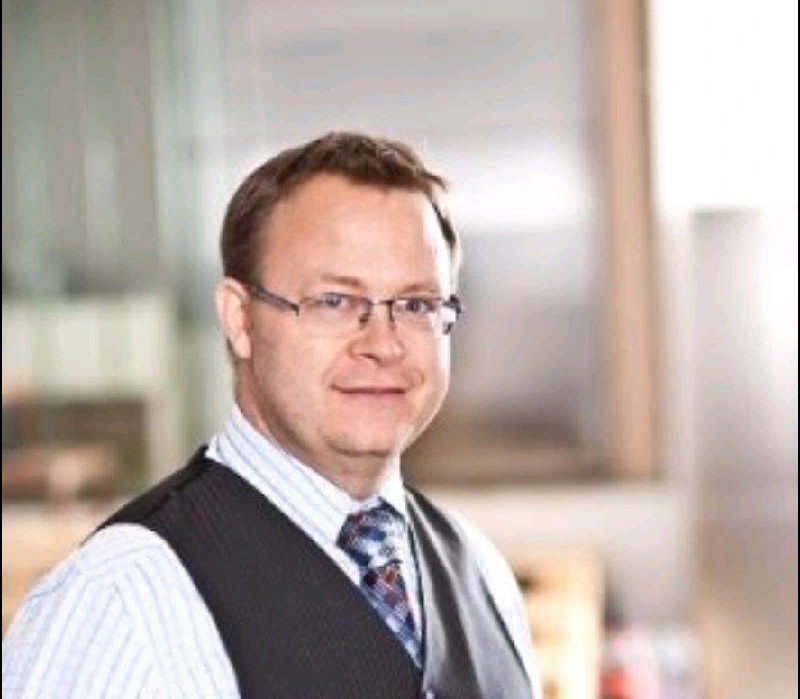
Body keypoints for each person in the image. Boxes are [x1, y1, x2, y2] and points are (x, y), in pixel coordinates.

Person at [3, 132, 540, 698]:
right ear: (239, 319)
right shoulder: (120, 603)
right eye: (334, 301)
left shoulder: (482, 576)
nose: (383, 345)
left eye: (415, 305)